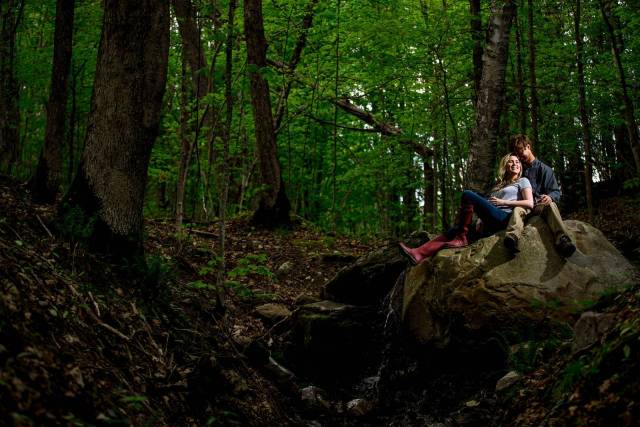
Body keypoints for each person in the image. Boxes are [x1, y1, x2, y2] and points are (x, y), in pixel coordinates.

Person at [399, 154, 534, 265]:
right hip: (491, 221)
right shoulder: (497, 186)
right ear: (505, 166)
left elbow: (529, 203)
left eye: (517, 162)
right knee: (454, 229)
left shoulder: (523, 181)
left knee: (468, 195)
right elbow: (489, 204)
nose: (515, 164)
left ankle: (462, 237)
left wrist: (503, 201)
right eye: (511, 162)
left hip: (505, 217)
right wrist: (481, 218)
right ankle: (418, 253)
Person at [507, 134, 576, 257]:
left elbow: (555, 191)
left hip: (540, 205)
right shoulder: (518, 168)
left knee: (550, 204)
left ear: (528, 147)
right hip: (524, 206)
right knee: (517, 209)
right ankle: (512, 237)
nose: (519, 155)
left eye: (521, 151)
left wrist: (550, 197)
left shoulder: (545, 169)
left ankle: (562, 240)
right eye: (516, 153)